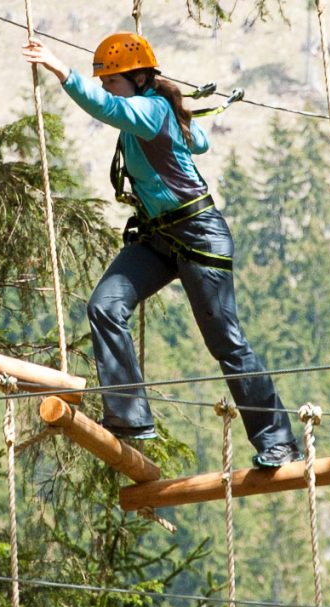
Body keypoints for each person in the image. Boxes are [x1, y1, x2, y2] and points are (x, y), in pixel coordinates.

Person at [21, 32, 299, 469]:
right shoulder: (153, 112)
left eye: (111, 81)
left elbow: (110, 108)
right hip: (158, 237)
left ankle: (278, 440)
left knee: (226, 341)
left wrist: (61, 70)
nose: (108, 89)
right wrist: (182, 123)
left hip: (199, 234)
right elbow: (200, 142)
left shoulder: (148, 110)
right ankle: (129, 416)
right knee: (105, 306)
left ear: (134, 79)